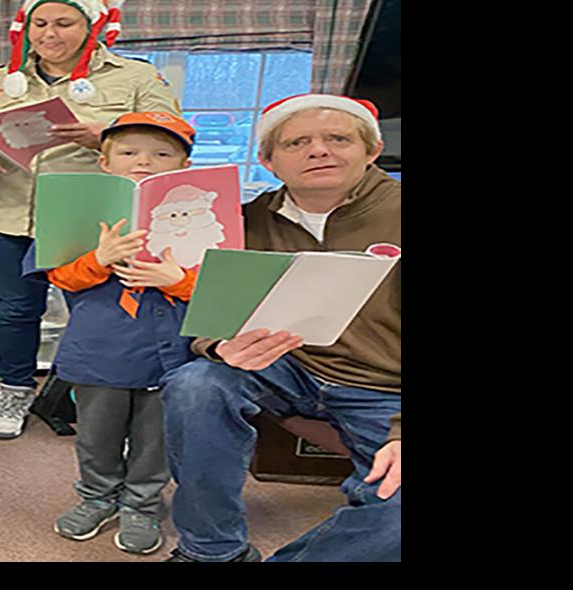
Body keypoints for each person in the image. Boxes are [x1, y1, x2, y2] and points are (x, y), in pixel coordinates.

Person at [159, 94, 402, 562]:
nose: (318, 150)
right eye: (297, 142)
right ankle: (212, 552)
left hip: (386, 387)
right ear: (269, 162)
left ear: (371, 150)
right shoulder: (242, 221)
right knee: (194, 386)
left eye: (337, 138)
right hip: (283, 364)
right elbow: (210, 319)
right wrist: (219, 346)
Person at [0, 0, 180, 440]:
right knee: (15, 309)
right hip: (7, 215)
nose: (50, 34)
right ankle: (14, 391)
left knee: (99, 314)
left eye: (64, 23)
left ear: (90, 26)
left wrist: (105, 134)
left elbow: (174, 137)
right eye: (40, 23)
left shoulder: (136, 77)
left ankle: (101, 401)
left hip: (92, 219)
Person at [26, 112, 197, 555]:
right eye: (128, 152)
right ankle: (97, 496)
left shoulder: (202, 212)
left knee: (155, 436)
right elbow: (58, 276)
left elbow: (217, 288)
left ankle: (142, 502)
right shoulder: (74, 207)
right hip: (100, 350)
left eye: (162, 154)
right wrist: (98, 260)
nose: (144, 162)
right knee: (96, 435)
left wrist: (175, 278)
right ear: (104, 162)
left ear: (183, 165)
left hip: (170, 350)